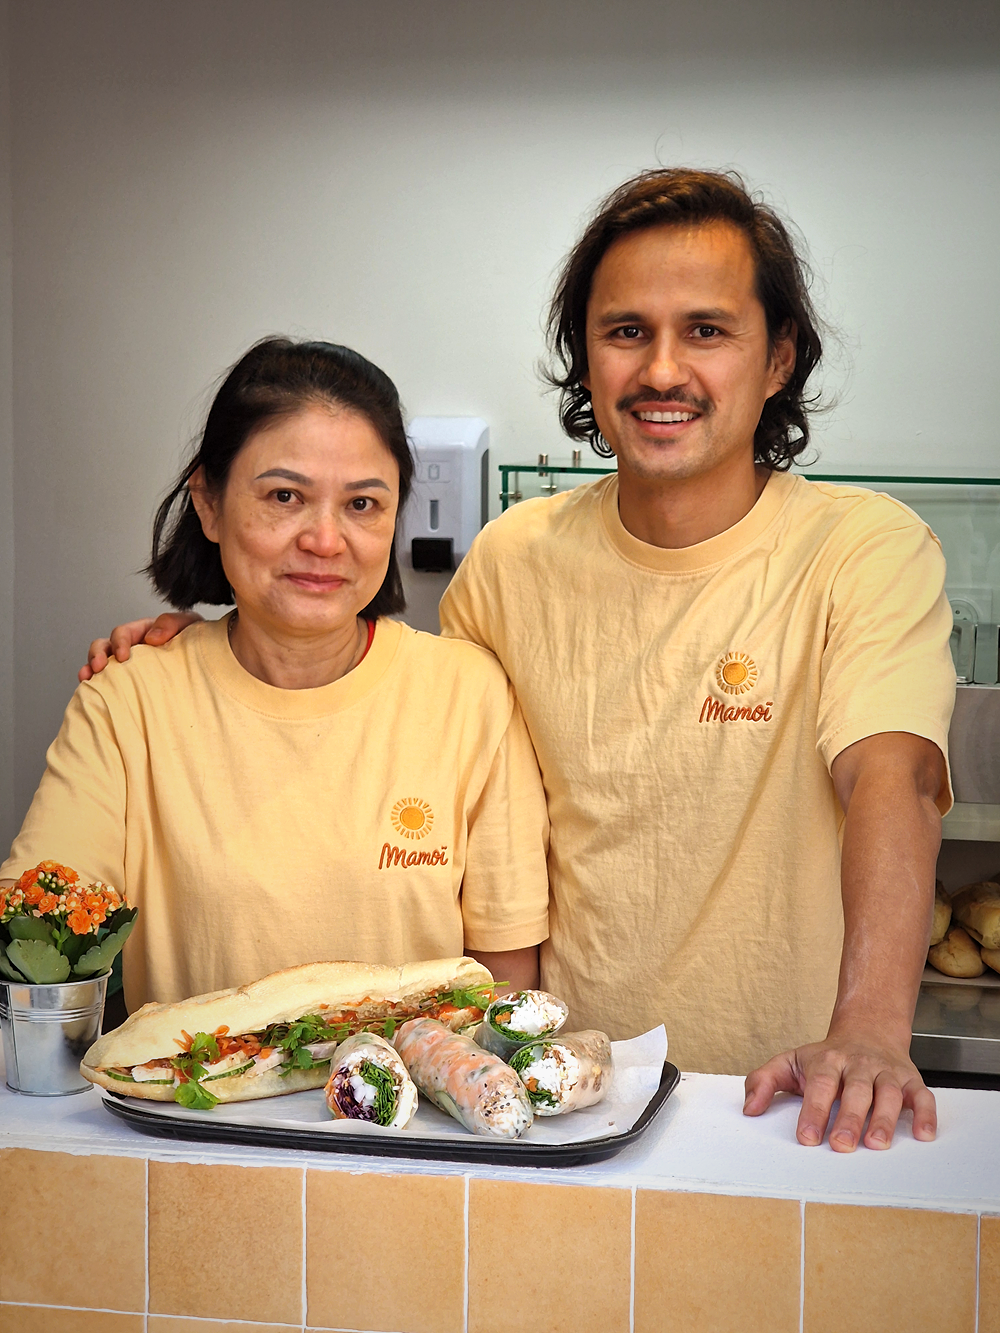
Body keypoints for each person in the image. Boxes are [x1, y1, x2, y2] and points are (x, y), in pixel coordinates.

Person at [83, 169, 955, 1153]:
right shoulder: (511, 562)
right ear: (585, 354)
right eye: (625, 331)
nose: (662, 368)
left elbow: (893, 778)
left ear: (778, 357)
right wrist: (202, 653)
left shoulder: (862, 551)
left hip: (783, 1104)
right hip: (553, 1110)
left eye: (706, 330)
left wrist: (869, 1030)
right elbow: (410, 740)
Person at [2, 338, 549, 1014]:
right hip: (195, 1082)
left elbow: (505, 988)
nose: (325, 539)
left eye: (362, 504)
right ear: (208, 502)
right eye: (285, 496)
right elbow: (37, 930)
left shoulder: (470, 697)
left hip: (413, 1085)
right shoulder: (128, 700)